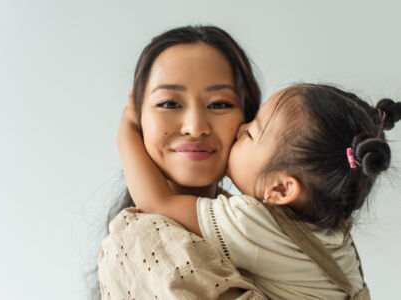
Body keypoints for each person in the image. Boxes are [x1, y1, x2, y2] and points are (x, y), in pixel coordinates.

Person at [117, 82, 401, 299]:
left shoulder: (254, 221)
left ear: (280, 188)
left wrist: (127, 131)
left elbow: (158, 203)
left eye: (251, 133)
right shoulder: (335, 231)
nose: (240, 129)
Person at [97, 25, 267, 299]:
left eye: (219, 104)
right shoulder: (142, 240)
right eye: (169, 104)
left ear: (249, 120)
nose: (195, 127)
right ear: (138, 118)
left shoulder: (260, 223)